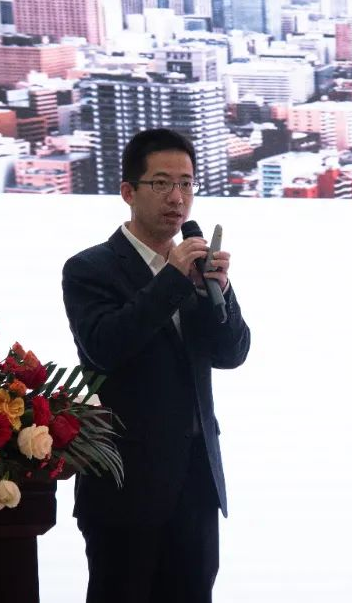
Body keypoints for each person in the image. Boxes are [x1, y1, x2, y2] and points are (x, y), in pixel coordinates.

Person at [61, 128, 251, 603]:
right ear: (128, 192)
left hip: (196, 483)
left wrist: (220, 291)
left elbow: (232, 353)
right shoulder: (90, 269)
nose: (177, 198)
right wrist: (172, 279)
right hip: (124, 488)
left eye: (186, 183)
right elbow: (105, 348)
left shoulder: (196, 269)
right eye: (162, 183)